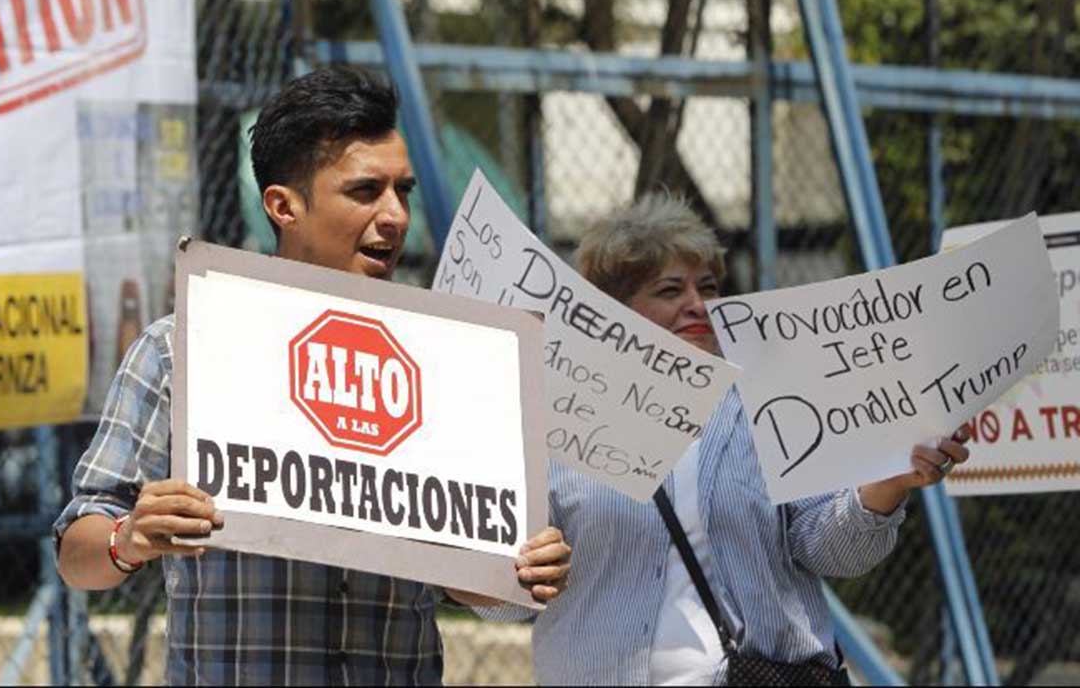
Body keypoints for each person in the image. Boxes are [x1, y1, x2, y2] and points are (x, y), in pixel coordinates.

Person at [55, 66, 571, 686]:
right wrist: (130, 536)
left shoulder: (448, 362)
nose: (396, 216)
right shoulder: (184, 349)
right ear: (284, 206)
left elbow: (493, 600)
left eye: (402, 191)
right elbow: (76, 555)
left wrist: (521, 574)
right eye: (364, 191)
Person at [477, 191, 970, 685]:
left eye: (708, 287)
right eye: (670, 291)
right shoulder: (553, 423)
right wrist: (514, 573)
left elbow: (835, 552)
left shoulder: (766, 408)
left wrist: (886, 485)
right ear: (612, 310)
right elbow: (503, 609)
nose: (697, 305)